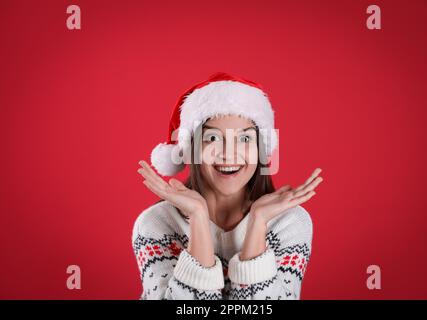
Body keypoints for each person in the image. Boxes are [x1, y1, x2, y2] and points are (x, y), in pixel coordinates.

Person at [134, 72, 323, 299]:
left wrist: (258, 223)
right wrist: (198, 220)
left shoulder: (289, 223)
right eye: (212, 138)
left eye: (245, 139)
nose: (229, 154)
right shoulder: (157, 223)